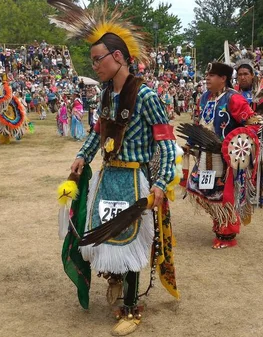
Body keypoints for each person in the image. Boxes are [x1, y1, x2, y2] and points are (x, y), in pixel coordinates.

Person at [49, 1, 180, 335]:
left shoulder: (146, 95)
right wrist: (81, 156)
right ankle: (115, 281)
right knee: (104, 238)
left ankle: (132, 310)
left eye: (98, 60)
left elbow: (166, 144)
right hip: (108, 178)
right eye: (92, 61)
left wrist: (161, 183)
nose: (95, 67)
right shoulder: (106, 95)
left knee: (132, 243)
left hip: (135, 179)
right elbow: (97, 135)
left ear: (118, 57)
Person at [184, 62, 257, 249]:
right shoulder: (205, 98)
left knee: (225, 195)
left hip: (225, 158)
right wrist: (190, 143)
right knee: (203, 191)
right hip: (204, 154)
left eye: (212, 75)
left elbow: (253, 123)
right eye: (207, 75)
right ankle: (219, 221)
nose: (207, 78)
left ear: (223, 78)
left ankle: (228, 234)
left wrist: (237, 144)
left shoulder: (234, 99)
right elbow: (198, 123)